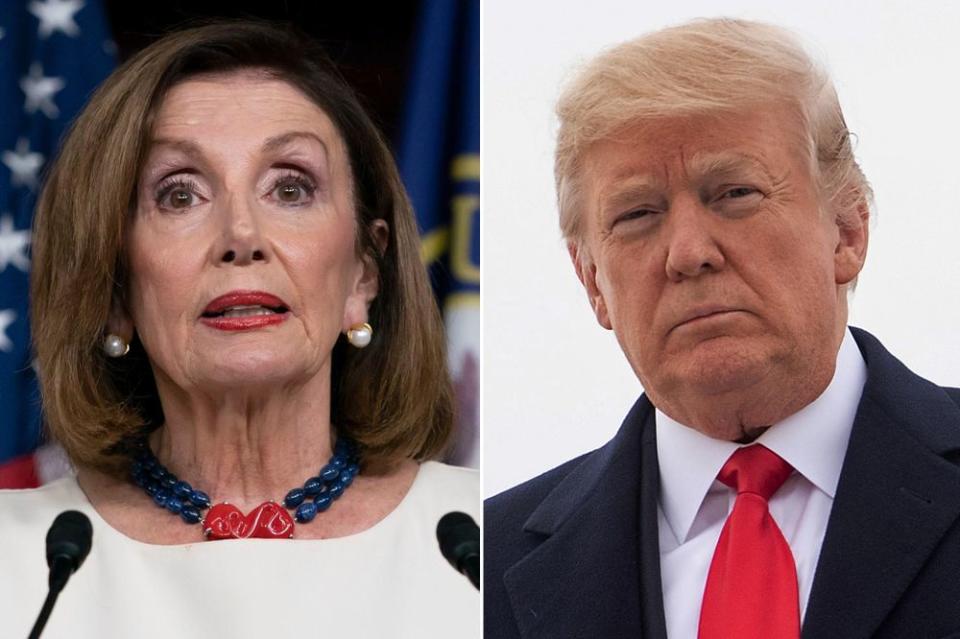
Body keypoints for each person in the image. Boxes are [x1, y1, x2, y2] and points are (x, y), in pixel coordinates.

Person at [0, 21, 479, 638]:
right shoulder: (23, 565)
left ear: (364, 272)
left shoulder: (475, 542)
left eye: (289, 187)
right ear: (116, 287)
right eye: (180, 195)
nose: (242, 238)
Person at [484, 18, 960, 639]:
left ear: (846, 231)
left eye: (734, 193)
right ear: (593, 280)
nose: (687, 252)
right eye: (637, 214)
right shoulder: (482, 570)